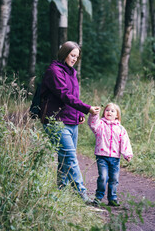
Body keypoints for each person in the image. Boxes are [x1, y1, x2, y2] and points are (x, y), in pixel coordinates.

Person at [40, 41, 100, 203]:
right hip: (56, 121)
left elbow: (75, 94)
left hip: (71, 120)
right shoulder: (54, 71)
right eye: (72, 55)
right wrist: (87, 108)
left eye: (77, 57)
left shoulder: (71, 71)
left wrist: (80, 111)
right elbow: (64, 94)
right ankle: (82, 194)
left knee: (64, 158)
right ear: (64, 53)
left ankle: (60, 192)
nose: (74, 59)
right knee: (70, 157)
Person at [88, 102, 133, 206]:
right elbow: (92, 124)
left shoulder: (120, 129)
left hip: (115, 158)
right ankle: (98, 198)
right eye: (107, 110)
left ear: (117, 115)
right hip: (102, 156)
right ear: (104, 113)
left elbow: (125, 142)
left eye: (112, 111)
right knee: (103, 177)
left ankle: (112, 198)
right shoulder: (100, 125)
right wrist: (94, 114)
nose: (109, 112)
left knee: (114, 179)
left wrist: (127, 154)